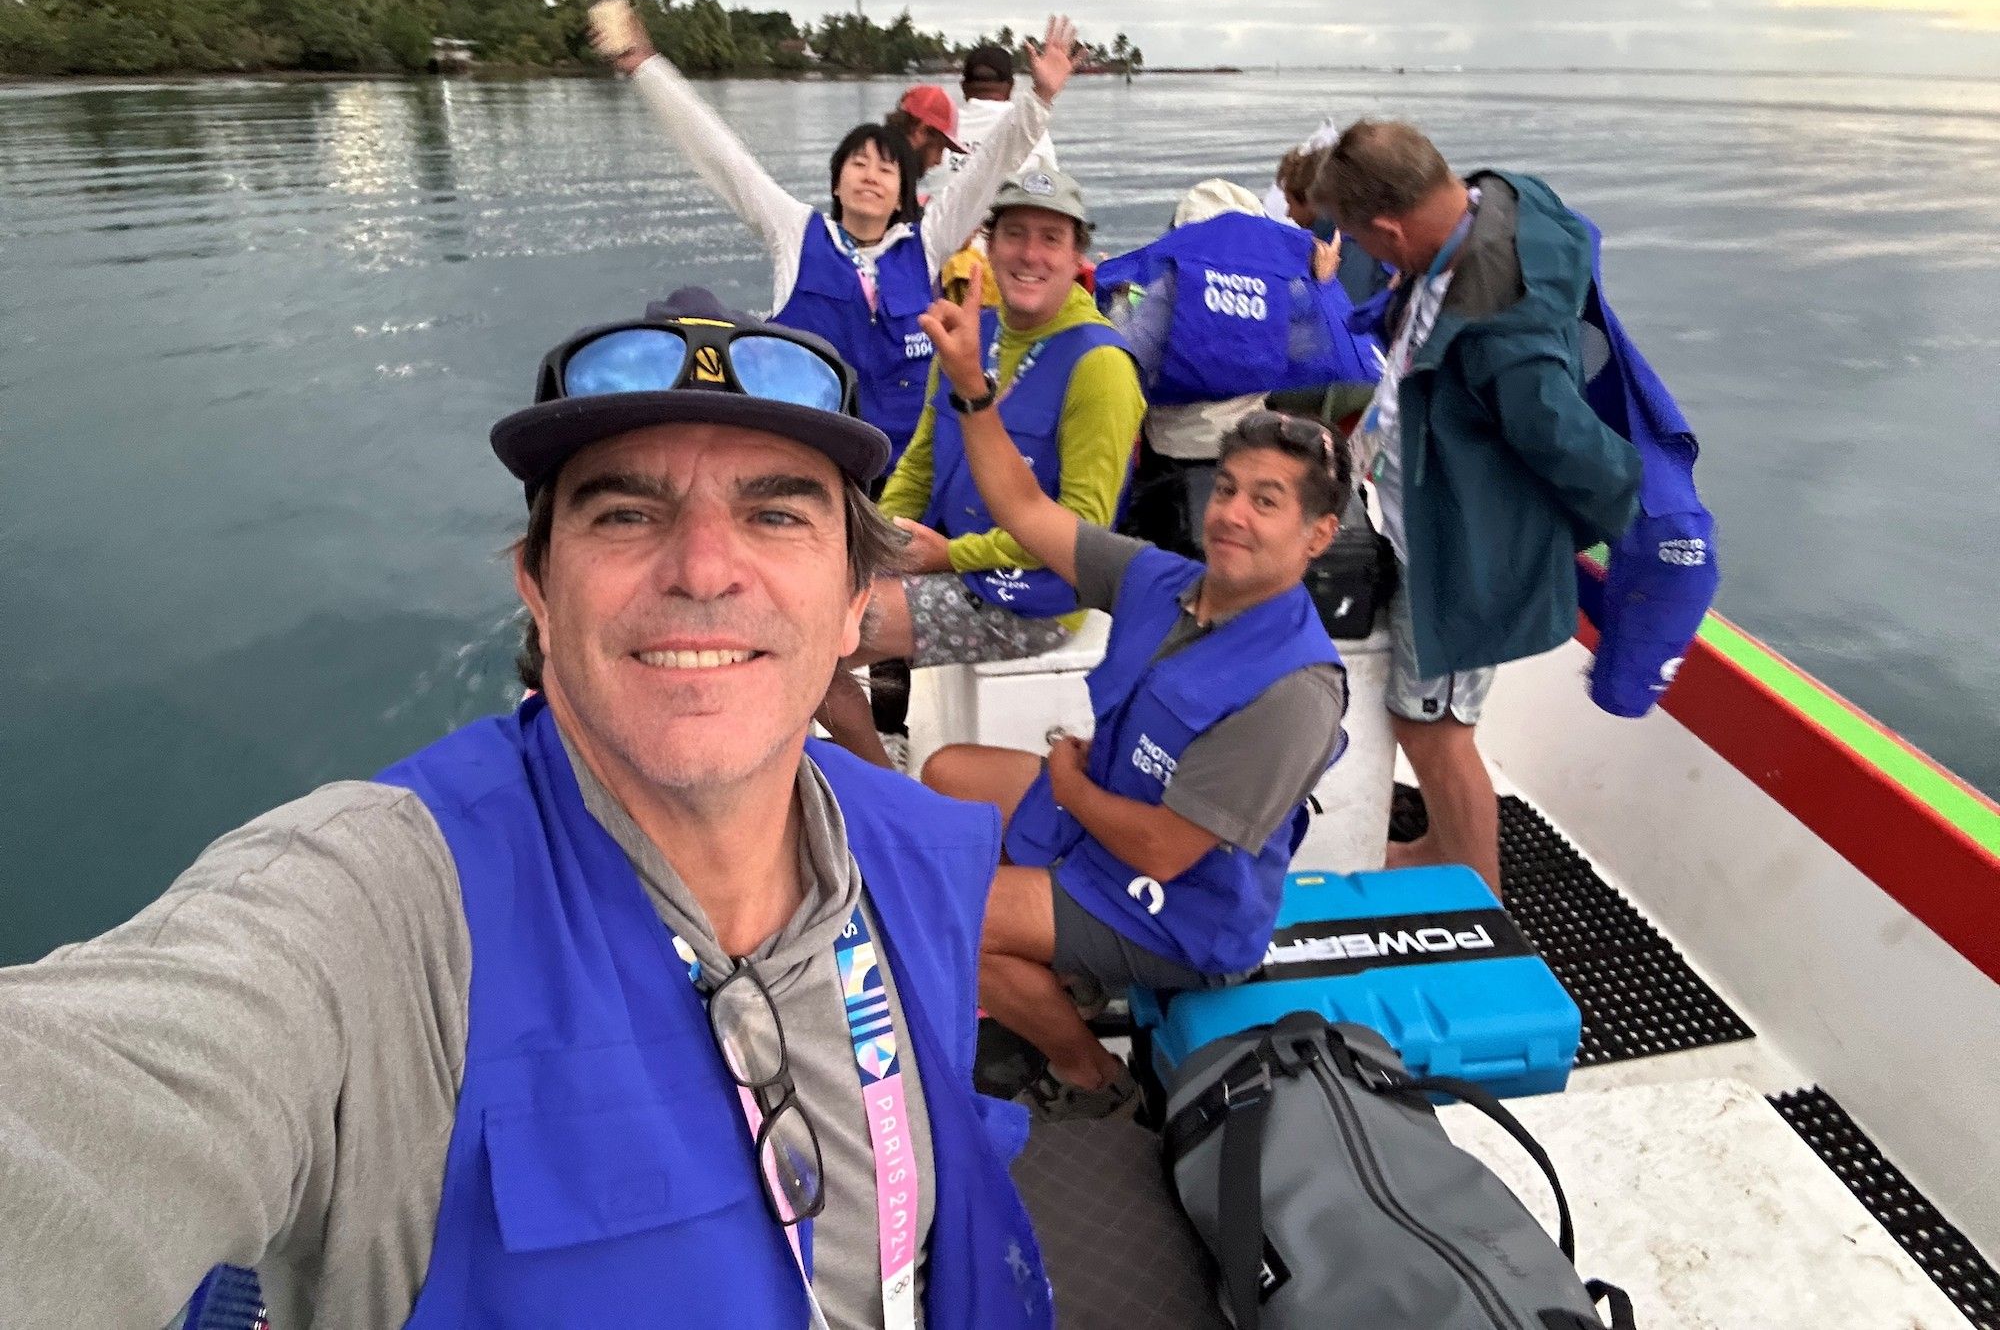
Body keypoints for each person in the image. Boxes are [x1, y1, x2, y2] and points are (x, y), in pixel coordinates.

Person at [0, 289, 1054, 1330]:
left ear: (850, 607)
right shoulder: (384, 920)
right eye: (626, 513)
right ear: (540, 593)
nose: (701, 568)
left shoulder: (919, 854)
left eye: (775, 512)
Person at [913, 268, 1351, 1117]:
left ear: (1318, 535)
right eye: (1228, 489)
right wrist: (971, 385)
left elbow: (1165, 852)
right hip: (1102, 820)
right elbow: (1023, 506)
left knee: (947, 919)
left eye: (1268, 502)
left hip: (1180, 912)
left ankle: (1088, 1073)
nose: (1234, 514)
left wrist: (1070, 787)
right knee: (947, 774)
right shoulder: (1160, 579)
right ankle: (1059, 969)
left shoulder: (1297, 689)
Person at [1310, 120, 1642, 889]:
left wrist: (1629, 520)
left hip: (1460, 553)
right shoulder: (1490, 203)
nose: (1375, 258)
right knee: (1424, 716)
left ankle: (1475, 886)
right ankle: (1438, 847)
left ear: (1391, 227)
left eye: (1371, 243)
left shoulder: (1499, 326)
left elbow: (1564, 440)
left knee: (1434, 729)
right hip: (1419, 506)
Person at [589, 0, 1076, 466]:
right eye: (857, 163)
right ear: (837, 182)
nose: (869, 174)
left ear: (901, 191)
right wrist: (645, 66)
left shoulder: (926, 243)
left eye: (885, 169)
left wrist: (1041, 98)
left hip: (905, 470)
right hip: (812, 462)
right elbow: (721, 155)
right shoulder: (796, 233)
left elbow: (989, 167)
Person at [852, 171, 1145, 681]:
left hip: (1038, 595)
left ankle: (866, 758)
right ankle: (869, 760)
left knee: (824, 630)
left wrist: (950, 557)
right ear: (989, 245)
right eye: (1015, 234)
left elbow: (1083, 533)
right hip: (955, 563)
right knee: (810, 600)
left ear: (1079, 257)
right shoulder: (971, 334)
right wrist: (873, 545)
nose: (1030, 255)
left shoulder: (1099, 365)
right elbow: (919, 466)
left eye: (1051, 238)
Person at [1098, 177, 1370, 556]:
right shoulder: (1277, 291)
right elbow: (1320, 349)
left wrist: (1118, 304)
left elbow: (1124, 358)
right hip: (1248, 442)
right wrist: (1321, 287)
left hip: (1173, 453)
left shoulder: (1173, 287)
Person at [944, 43, 1061, 182]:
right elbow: (1053, 184)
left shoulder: (937, 130)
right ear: (1011, 86)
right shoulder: (1029, 128)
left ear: (963, 86)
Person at [885, 84, 967, 177]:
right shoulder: (882, 181)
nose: (939, 161)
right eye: (939, 147)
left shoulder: (872, 159)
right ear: (921, 130)